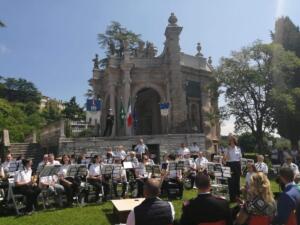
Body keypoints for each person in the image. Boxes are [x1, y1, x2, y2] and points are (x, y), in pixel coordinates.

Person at [223, 135, 242, 202]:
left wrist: (241, 168)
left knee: (237, 182)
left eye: (233, 141)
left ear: (235, 141)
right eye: (230, 141)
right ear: (229, 142)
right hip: (229, 164)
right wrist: (228, 151)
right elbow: (225, 159)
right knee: (230, 182)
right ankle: (232, 198)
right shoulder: (226, 149)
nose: (232, 142)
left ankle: (238, 197)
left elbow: (240, 159)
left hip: (237, 165)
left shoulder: (238, 149)